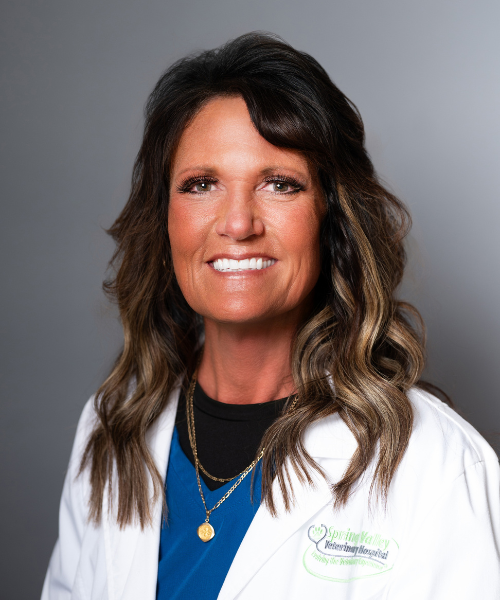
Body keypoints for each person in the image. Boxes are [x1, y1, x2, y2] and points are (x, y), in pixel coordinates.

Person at [42, 32, 500, 600]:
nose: (238, 223)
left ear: (332, 219)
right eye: (201, 184)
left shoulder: (436, 466)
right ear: (164, 220)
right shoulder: (111, 429)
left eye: (280, 185)